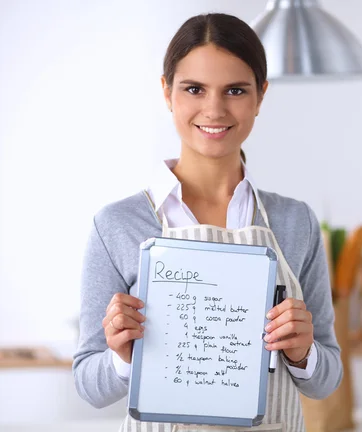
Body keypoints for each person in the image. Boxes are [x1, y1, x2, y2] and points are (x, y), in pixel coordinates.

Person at [72, 12, 342, 432]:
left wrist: (304, 353)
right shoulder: (117, 225)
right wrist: (122, 356)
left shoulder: (295, 222)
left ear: (260, 96)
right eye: (194, 89)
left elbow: (327, 381)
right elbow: (89, 385)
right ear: (167, 92)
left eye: (235, 90)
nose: (214, 110)